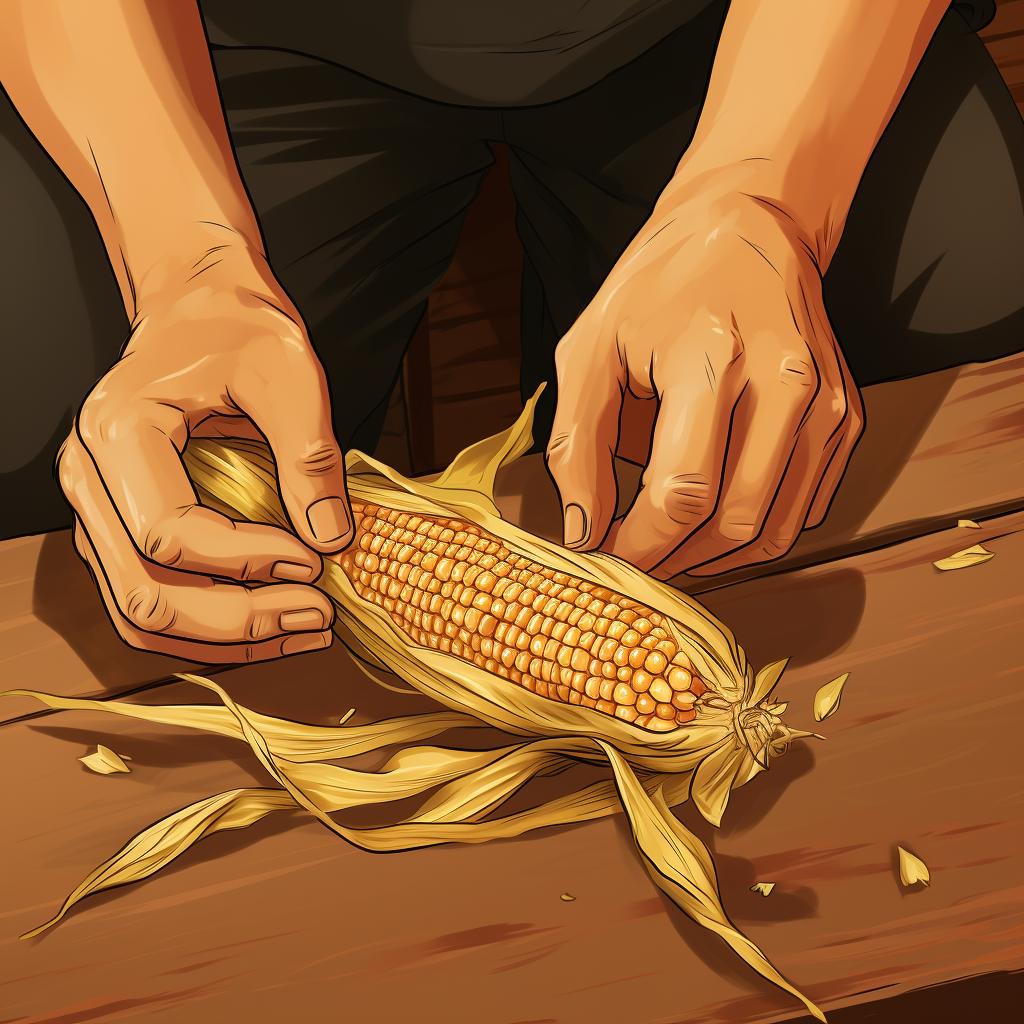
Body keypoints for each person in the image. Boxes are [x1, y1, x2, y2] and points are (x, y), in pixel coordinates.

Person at [0, 1, 1021, 663]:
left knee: (970, 314)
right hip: (224, 33)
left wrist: (767, 193)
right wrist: (186, 267)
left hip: (731, 27)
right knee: (40, 435)